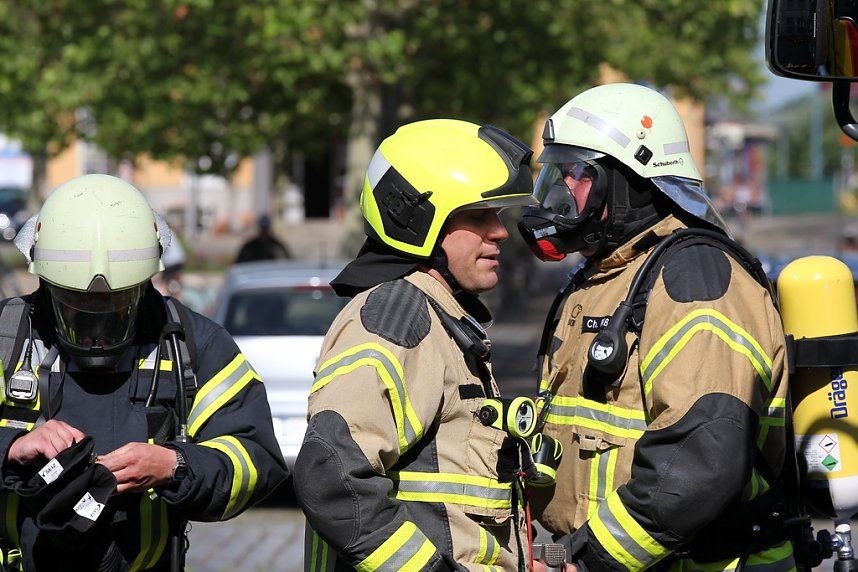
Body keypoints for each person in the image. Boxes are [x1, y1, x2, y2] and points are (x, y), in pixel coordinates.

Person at [517, 83, 794, 572]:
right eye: (555, 173)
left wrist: (586, 561)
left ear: (628, 182)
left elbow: (699, 459)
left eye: (576, 173)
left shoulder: (696, 278)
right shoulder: (607, 275)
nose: (559, 191)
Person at [293, 119, 547, 571]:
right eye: (477, 216)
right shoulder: (398, 318)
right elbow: (331, 475)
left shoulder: (438, 315)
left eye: (499, 216)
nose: (500, 232)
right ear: (417, 219)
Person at [0, 174, 288, 570]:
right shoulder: (6, 337)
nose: (95, 331)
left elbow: (257, 460)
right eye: (76, 305)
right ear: (44, 279)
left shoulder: (193, 344)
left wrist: (175, 466)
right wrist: (11, 447)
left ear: (147, 280)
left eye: (116, 305)